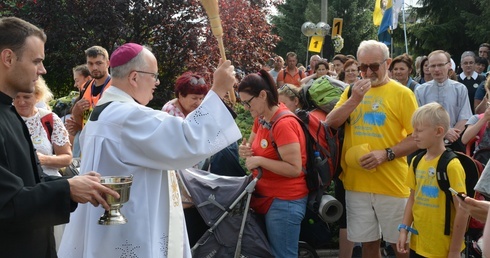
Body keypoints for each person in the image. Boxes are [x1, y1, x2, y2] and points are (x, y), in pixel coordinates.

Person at [58, 43, 241, 258]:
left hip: (110, 229)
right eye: (154, 75)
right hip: (132, 231)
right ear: (134, 77)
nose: (157, 82)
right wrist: (218, 89)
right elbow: (188, 140)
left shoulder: (104, 112)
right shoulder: (128, 117)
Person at [0, 16, 119, 258]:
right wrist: (67, 188)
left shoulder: (8, 112)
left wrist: (76, 185)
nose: (42, 70)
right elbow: (6, 203)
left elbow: (27, 184)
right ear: (8, 58)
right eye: (36, 61)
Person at [325, 40, 418, 258]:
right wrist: (355, 99)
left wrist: (386, 154)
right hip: (356, 184)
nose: (367, 72)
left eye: (373, 66)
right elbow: (330, 123)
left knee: (400, 247)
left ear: (387, 63)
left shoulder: (402, 94)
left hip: (392, 184)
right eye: (362, 67)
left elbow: (417, 138)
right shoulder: (351, 91)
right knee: (367, 245)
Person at [238, 70, 308, 257]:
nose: (245, 108)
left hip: (284, 202)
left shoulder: (283, 124)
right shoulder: (261, 118)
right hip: (267, 198)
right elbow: (251, 149)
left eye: (247, 102)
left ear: (262, 95)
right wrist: (245, 151)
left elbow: (295, 169)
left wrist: (260, 160)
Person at [396, 102, 468, 257]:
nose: (413, 135)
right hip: (418, 244)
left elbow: (463, 210)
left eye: (419, 130)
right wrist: (404, 229)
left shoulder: (452, 165)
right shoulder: (416, 161)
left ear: (439, 131)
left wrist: (455, 250)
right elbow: (412, 198)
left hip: (444, 249)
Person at [415, 50, 473, 153]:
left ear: (449, 65)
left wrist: (450, 135)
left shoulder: (460, 89)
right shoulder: (421, 90)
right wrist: (444, 132)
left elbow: (464, 117)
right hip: (428, 144)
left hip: (454, 142)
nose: (437, 69)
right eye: (433, 66)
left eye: (441, 65)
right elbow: (420, 119)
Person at [65, 46, 112, 158]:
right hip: (87, 147)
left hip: (106, 149)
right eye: (90, 64)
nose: (94, 67)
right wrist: (76, 113)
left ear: (108, 63)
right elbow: (80, 122)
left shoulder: (115, 87)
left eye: (99, 63)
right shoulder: (86, 87)